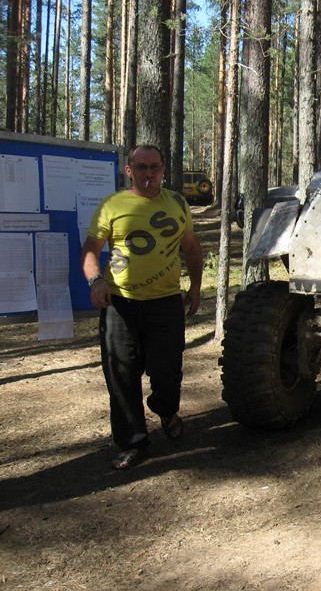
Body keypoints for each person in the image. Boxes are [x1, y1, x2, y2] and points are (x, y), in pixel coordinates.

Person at [81, 145, 203, 470]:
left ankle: (166, 409)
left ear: (163, 169)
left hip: (165, 304)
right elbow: (91, 248)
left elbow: (191, 247)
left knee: (167, 373)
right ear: (129, 170)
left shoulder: (177, 203)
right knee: (121, 376)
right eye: (142, 167)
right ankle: (133, 441)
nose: (149, 174)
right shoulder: (112, 205)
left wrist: (195, 286)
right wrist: (96, 281)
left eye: (155, 167)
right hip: (120, 305)